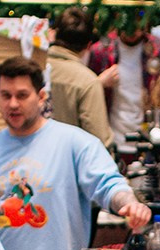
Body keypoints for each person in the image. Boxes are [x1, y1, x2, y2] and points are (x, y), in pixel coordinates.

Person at [0, 58, 151, 250]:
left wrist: (130, 204)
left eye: (21, 95)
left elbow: (108, 184)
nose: (13, 104)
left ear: (41, 97)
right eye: (5, 95)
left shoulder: (75, 142)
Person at [88, 13, 160, 140]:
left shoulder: (157, 49)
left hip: (149, 136)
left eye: (138, 20)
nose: (132, 29)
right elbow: (86, 90)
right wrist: (100, 82)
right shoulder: (101, 51)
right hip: (112, 136)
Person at [45, 6, 113, 146]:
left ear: (55, 35)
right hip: (70, 165)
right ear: (88, 46)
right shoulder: (87, 81)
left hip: (30, 163)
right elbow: (98, 140)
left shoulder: (31, 69)